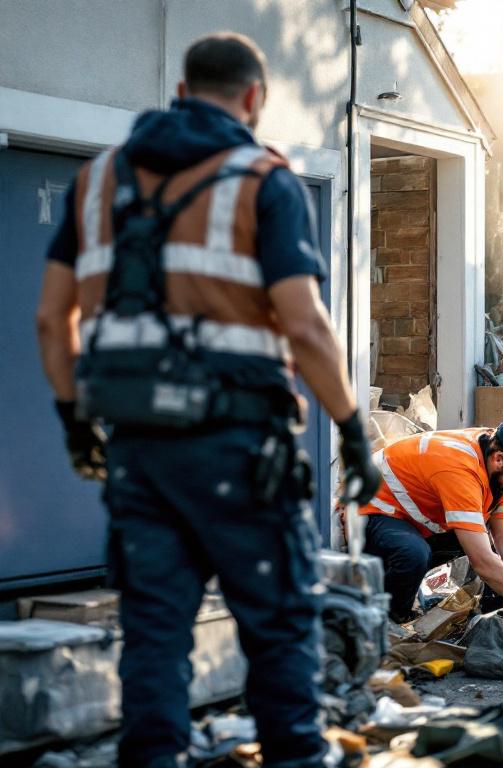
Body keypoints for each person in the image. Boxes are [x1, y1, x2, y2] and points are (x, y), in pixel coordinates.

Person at [35, 32, 381, 768]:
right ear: (253, 98)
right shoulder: (264, 181)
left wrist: (74, 422)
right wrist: (352, 431)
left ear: (183, 92)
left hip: (137, 449)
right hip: (240, 449)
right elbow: (306, 327)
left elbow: (50, 318)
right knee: (280, 625)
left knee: (155, 632)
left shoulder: (95, 184)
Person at [360, 418, 503, 630]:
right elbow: (482, 560)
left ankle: (488, 617)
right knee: (413, 553)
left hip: (425, 519)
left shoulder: (494, 455)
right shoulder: (459, 470)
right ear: (500, 459)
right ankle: (394, 622)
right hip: (378, 512)